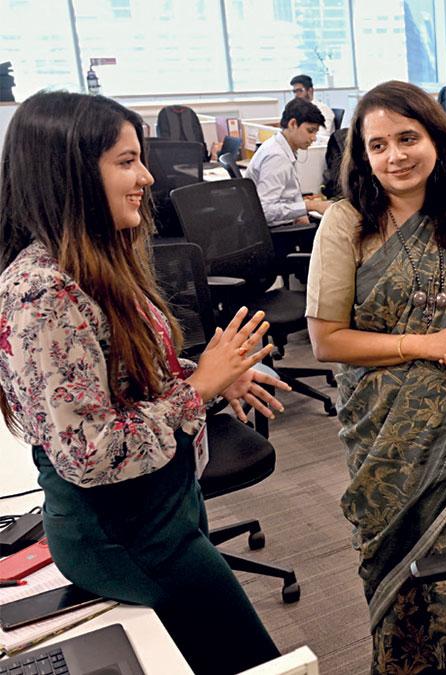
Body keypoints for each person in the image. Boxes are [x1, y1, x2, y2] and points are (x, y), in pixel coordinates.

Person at [0, 91, 286, 675]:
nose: (147, 177)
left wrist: (208, 376)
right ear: (72, 173)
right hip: (123, 531)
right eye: (126, 161)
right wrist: (198, 391)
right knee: (253, 663)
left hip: (161, 508)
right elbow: (88, 452)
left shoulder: (95, 261)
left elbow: (127, 376)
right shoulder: (44, 294)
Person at [305, 80, 446, 673]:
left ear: (436, 141)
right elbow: (326, 340)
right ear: (363, 156)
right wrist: (428, 344)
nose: (395, 156)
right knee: (402, 571)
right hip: (387, 436)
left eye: (408, 138)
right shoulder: (345, 224)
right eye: (378, 145)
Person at [245, 97, 330, 226]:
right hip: (276, 232)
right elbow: (265, 210)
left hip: (284, 223)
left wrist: (301, 212)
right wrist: (309, 206)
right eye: (310, 131)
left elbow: (289, 193)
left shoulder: (280, 147)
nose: (313, 138)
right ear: (292, 124)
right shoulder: (277, 157)